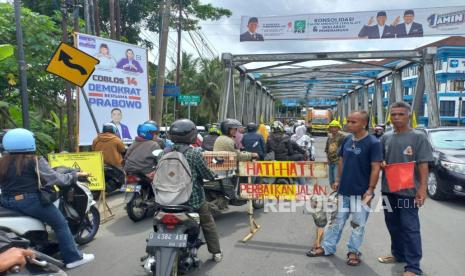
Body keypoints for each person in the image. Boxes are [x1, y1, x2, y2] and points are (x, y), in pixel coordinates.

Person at [0, 128, 94, 269]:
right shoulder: (35, 160)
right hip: (29, 201)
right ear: (29, 142)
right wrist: (74, 176)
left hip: (6, 201)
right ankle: (73, 257)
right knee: (60, 224)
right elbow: (55, 179)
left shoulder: (3, 161)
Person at [307, 111, 382, 267]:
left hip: (361, 194)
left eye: (353, 122)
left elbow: (376, 167)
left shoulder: (373, 143)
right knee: (336, 222)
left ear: (364, 123)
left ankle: (353, 251)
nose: (349, 124)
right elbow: (341, 160)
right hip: (343, 191)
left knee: (357, 224)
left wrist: (370, 190)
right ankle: (327, 247)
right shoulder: (348, 139)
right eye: (348, 121)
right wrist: (338, 179)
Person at [377, 102, 433, 276]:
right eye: (393, 114)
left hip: (409, 192)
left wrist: (422, 188)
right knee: (393, 224)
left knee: (410, 228)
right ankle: (398, 254)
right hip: (388, 190)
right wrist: (382, 163)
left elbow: (423, 164)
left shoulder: (418, 137)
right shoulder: (385, 137)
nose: (396, 117)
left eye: (400, 114)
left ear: (409, 116)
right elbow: (380, 160)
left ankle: (413, 267)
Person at [167, 119, 223, 262]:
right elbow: (207, 175)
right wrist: (213, 175)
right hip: (192, 200)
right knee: (207, 222)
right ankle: (216, 252)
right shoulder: (194, 154)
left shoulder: (164, 153)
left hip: (166, 199)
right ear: (192, 136)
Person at [324, 120, 345, 187]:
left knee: (337, 182)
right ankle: (336, 195)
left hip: (338, 163)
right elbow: (327, 150)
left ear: (338, 128)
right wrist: (327, 159)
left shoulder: (342, 137)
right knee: (331, 182)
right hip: (331, 162)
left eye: (335, 127)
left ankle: (338, 196)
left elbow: (344, 151)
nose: (333, 129)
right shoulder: (329, 138)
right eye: (332, 127)